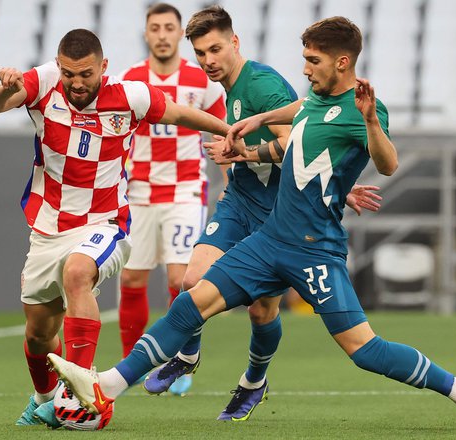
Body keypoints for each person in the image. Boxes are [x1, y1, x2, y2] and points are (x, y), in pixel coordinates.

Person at [48, 16, 456, 432]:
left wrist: (373, 124)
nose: (304, 68)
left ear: (342, 62)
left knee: (365, 351)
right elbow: (296, 125)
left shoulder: (361, 108)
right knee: (191, 302)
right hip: (271, 239)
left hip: (316, 250)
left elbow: (390, 163)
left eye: (312, 60)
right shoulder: (314, 97)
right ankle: (106, 386)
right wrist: (257, 124)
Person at [140, 5, 381, 418]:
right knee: (191, 278)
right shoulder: (230, 88)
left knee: (261, 310)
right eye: (200, 53)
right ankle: (188, 353)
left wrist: (243, 156)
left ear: (235, 42)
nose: (208, 61)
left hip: (277, 214)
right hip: (240, 202)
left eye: (215, 49)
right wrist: (235, 169)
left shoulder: (264, 86)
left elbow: (296, 145)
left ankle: (254, 380)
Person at [0, 28, 229, 426]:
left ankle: (75, 397)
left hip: (106, 221)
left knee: (78, 271)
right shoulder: (43, 81)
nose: (77, 83)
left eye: (86, 74)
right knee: (38, 335)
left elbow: (182, 114)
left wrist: (229, 130)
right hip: (48, 226)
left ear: (104, 67)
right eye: (69, 74)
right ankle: (46, 398)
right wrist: (2, 88)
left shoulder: (130, 96)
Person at [115, 3, 227, 395]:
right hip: (139, 192)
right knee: (132, 277)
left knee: (182, 279)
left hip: (186, 190)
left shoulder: (203, 81)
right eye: (154, 28)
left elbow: (222, 133)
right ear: (146, 34)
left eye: (168, 28)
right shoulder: (129, 81)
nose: (162, 34)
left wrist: (230, 180)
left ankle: (179, 361)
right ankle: (134, 364)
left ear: (180, 34)